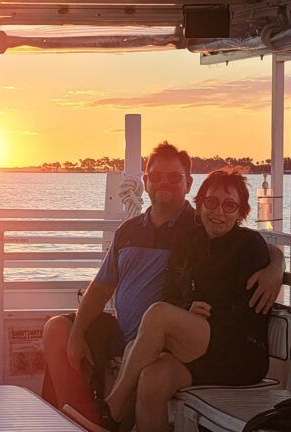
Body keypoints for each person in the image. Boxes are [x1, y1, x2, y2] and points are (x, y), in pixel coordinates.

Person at [41, 142, 284, 424]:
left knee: (155, 322)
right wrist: (78, 332)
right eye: (156, 176)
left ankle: (109, 413)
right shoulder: (137, 231)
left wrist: (277, 264)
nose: (218, 210)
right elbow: (102, 286)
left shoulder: (198, 223)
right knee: (57, 329)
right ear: (145, 182)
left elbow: (253, 243)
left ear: (188, 183)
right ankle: (80, 420)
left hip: (179, 337)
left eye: (174, 177)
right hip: (132, 332)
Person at [98, 170, 271, 432]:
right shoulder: (187, 240)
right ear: (200, 204)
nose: (219, 212)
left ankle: (113, 407)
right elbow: (170, 294)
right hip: (200, 348)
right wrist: (186, 310)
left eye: (230, 205)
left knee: (157, 313)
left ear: (241, 212)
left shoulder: (249, 245)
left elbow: (249, 315)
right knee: (152, 379)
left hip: (239, 351)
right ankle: (118, 414)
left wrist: (204, 318)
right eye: (211, 202)